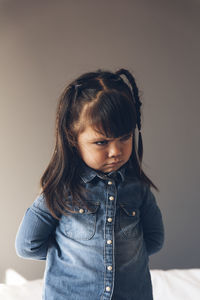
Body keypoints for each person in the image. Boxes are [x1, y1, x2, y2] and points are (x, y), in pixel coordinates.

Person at [15, 68, 164, 300]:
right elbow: (27, 244)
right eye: (101, 142)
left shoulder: (138, 189)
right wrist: (65, 256)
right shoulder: (62, 190)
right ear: (73, 139)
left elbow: (154, 240)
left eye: (124, 138)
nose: (115, 151)